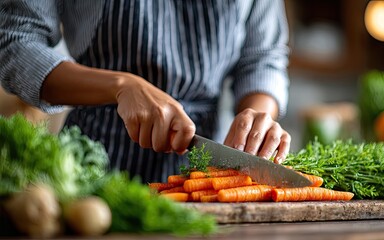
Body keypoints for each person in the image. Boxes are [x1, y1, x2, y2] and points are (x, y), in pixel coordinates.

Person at [0, 0, 291, 183]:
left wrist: (259, 115)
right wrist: (120, 86)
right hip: (93, 174)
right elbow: (15, 42)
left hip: (209, 177)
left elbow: (263, 56)